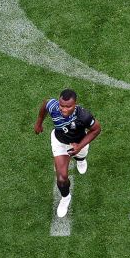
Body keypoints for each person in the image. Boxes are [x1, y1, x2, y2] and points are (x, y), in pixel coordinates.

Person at [34, 88, 101, 217]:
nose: (64, 109)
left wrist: (80, 146)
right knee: (61, 177)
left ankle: (81, 160)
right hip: (60, 142)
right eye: (62, 106)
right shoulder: (53, 106)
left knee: (81, 157)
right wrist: (39, 122)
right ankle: (65, 198)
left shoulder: (84, 116)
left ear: (75, 104)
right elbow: (45, 105)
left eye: (68, 107)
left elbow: (96, 129)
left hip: (79, 142)